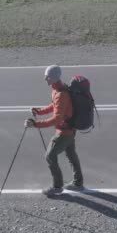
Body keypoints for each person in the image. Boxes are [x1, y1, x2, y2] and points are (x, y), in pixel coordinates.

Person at [25, 65, 84, 196]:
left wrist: (35, 124)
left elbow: (57, 118)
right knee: (71, 155)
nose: (45, 79)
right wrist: (39, 111)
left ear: (54, 77)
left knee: (50, 156)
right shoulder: (59, 89)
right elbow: (55, 106)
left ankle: (57, 186)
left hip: (64, 133)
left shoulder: (61, 93)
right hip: (70, 130)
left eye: (47, 77)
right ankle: (78, 183)